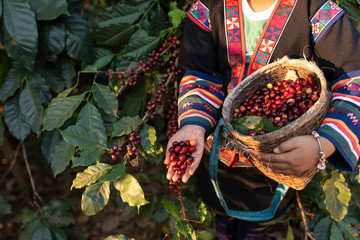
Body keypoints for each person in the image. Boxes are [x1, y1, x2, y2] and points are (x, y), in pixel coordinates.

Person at [164, 0, 360, 239]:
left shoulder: (317, 11)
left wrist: (323, 145)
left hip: (281, 153)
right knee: (221, 204)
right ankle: (224, 230)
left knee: (261, 213)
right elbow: (201, 73)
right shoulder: (208, 9)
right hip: (219, 149)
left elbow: (354, 81)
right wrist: (194, 123)